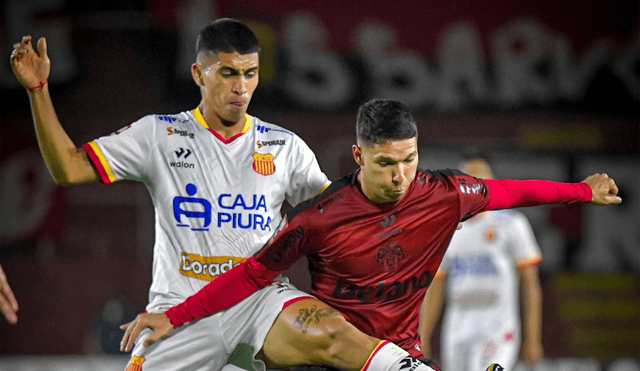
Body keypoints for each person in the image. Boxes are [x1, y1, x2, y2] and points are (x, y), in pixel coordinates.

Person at [11, 19, 433, 371]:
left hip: (260, 298)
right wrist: (38, 90)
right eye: (228, 73)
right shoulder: (159, 134)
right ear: (199, 74)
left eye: (250, 74)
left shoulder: (282, 146)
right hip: (180, 307)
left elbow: (339, 218)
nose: (241, 87)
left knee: (332, 331)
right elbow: (67, 168)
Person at [120, 98, 621, 367]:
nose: (400, 175)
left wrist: (581, 191)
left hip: (403, 359)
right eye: (386, 163)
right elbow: (253, 274)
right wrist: (176, 317)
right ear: (359, 156)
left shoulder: (446, 194)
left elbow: (512, 191)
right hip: (334, 362)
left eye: (409, 160)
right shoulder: (320, 217)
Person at [419, 155, 544, 371]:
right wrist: (422, 336)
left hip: (497, 328)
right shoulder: (445, 229)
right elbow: (435, 288)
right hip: (457, 329)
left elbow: (530, 285)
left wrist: (533, 338)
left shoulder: (512, 224)